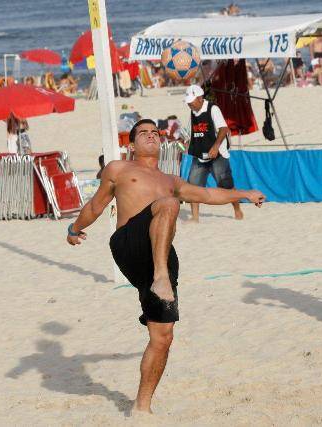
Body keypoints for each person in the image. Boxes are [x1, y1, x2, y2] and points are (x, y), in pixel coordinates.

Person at [66, 119, 265, 413]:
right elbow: (96, 206)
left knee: (163, 336)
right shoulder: (118, 169)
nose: (150, 136)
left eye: (155, 133)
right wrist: (74, 228)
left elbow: (208, 195)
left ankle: (141, 407)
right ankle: (161, 277)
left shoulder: (172, 181)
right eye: (143, 133)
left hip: (160, 250)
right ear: (131, 145)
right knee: (170, 205)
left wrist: (244, 194)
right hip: (128, 243)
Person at [184, 85, 243, 222]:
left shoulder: (213, 109)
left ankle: (237, 209)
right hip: (200, 155)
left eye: (191, 102)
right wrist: (185, 142)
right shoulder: (193, 112)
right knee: (194, 187)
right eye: (188, 102)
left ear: (200, 98)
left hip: (217, 156)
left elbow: (223, 129)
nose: (189, 105)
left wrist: (216, 147)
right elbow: (192, 132)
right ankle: (195, 217)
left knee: (226, 185)